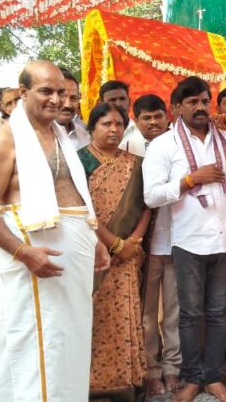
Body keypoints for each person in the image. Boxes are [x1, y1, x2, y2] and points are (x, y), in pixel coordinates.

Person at [0, 60, 107, 401]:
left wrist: (94, 240)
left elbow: (74, 197)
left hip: (70, 271)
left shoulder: (62, 136)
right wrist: (24, 253)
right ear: (23, 92)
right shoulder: (4, 140)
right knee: (32, 354)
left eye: (62, 92)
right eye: (46, 91)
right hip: (30, 268)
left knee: (67, 349)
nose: (57, 100)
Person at [144, 76, 226, 402]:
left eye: (205, 101)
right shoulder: (164, 144)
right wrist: (191, 180)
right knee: (191, 315)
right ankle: (193, 379)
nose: (201, 107)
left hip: (225, 239)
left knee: (218, 313)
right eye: (192, 102)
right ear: (177, 108)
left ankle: (213, 378)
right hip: (188, 242)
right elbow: (151, 195)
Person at [78, 102, 151, 400]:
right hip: (92, 253)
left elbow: (146, 205)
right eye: (106, 124)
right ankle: (90, 385)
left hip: (127, 256)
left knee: (124, 316)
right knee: (92, 317)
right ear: (91, 127)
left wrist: (133, 241)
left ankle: (125, 382)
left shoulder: (136, 163)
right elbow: (80, 209)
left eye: (119, 124)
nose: (113, 129)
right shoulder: (80, 161)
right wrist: (113, 243)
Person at [124, 94, 181, 396]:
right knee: (146, 313)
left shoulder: (180, 145)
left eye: (158, 116)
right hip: (142, 243)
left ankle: (173, 367)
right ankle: (151, 370)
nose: (153, 122)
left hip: (177, 238)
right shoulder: (126, 149)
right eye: (146, 118)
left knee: (173, 309)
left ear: (168, 115)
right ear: (136, 121)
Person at [57, 67, 91, 150]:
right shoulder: (33, 135)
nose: (67, 105)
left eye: (73, 98)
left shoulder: (84, 135)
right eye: (62, 96)